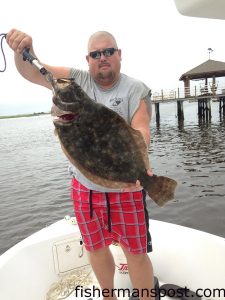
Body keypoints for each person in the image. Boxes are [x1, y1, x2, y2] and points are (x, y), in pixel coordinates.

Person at [6, 29, 155, 300]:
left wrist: (139, 165)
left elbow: (141, 130)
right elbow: (32, 72)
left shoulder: (135, 89)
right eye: (96, 54)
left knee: (136, 252)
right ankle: (108, 297)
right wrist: (22, 51)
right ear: (88, 59)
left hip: (127, 190)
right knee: (96, 248)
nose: (103, 57)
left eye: (108, 51)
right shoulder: (76, 80)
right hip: (85, 189)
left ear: (119, 54)